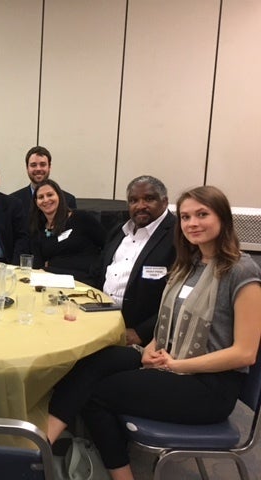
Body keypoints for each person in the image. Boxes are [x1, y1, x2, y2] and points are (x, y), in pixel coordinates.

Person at [45, 185, 261, 480]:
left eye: (202, 214)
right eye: (185, 217)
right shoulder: (191, 264)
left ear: (223, 218)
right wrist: (152, 347)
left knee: (95, 395)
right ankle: (44, 445)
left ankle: (120, 475)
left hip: (209, 387)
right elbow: (170, 319)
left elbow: (245, 353)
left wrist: (177, 365)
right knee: (93, 361)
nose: (192, 223)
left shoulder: (242, 272)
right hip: (171, 362)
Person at [93, 175, 176, 346]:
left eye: (149, 199)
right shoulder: (119, 231)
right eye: (133, 200)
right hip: (102, 322)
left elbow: (181, 300)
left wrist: (142, 332)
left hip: (143, 337)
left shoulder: (178, 236)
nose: (140, 206)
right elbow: (98, 273)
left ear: (165, 202)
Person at [29, 179, 105, 284]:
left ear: (59, 196)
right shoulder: (38, 229)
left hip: (85, 279)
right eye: (41, 197)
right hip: (54, 281)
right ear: (36, 203)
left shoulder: (81, 218)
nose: (46, 200)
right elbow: (38, 266)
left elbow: (107, 245)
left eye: (50, 195)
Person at [10, 146, 77, 215]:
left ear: (49, 167)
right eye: (33, 165)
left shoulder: (68, 200)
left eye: (43, 164)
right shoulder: (13, 201)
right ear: (27, 168)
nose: (38, 169)